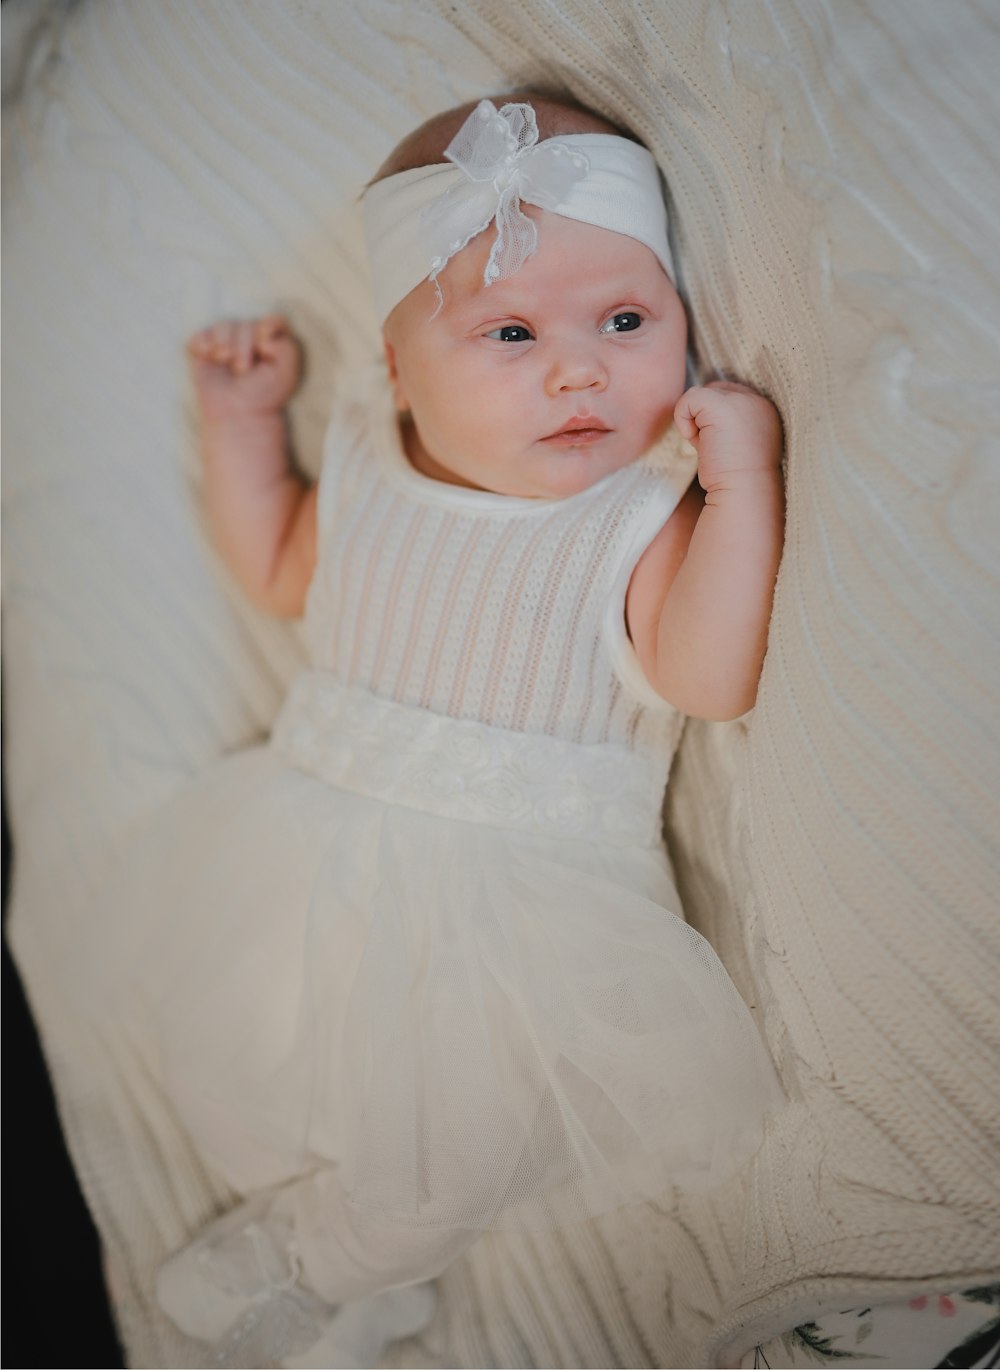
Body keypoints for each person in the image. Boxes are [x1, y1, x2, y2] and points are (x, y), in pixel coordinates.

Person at [96, 94, 786, 1366]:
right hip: (313, 839)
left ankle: (319, 1257)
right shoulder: (365, 451)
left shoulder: (632, 513)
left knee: (452, 1142)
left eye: (626, 321)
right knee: (264, 1041)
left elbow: (706, 677)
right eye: (510, 331)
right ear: (398, 364)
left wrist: (741, 486)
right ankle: (355, 1264)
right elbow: (281, 569)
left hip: (518, 904)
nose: (581, 368)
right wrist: (244, 427)